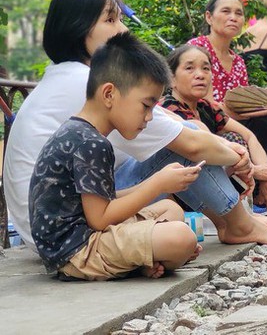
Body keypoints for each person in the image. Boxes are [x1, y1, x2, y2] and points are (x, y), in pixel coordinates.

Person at [5, 0, 267, 251]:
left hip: (51, 221)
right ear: (78, 29)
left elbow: (177, 124)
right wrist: (240, 159)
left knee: (186, 146)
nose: (122, 30)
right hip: (65, 228)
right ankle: (239, 225)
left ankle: (234, 221)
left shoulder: (72, 76)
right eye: (110, 20)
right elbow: (188, 144)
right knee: (181, 151)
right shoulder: (85, 81)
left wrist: (228, 150)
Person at [30, 33, 200, 281]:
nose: (149, 117)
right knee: (181, 238)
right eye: (146, 105)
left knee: (171, 209)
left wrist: (158, 184)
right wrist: (158, 183)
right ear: (109, 94)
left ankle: (143, 260)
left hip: (78, 238)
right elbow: (100, 219)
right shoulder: (92, 143)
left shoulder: (80, 132)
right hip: (77, 251)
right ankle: (144, 259)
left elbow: (99, 202)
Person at [161, 44, 267, 222]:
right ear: (172, 79)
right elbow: (208, 146)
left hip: (211, 183)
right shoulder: (170, 108)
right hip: (185, 192)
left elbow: (249, 136)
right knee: (231, 141)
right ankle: (242, 218)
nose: (200, 74)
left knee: (242, 137)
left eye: (206, 68)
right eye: (189, 68)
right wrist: (254, 170)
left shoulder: (206, 107)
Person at [187, 0, 267, 186]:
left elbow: (243, 104)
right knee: (262, 123)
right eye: (226, 11)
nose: (233, 17)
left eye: (239, 13)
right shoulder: (198, 49)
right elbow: (210, 107)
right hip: (203, 121)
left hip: (230, 118)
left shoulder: (237, 61)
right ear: (209, 17)